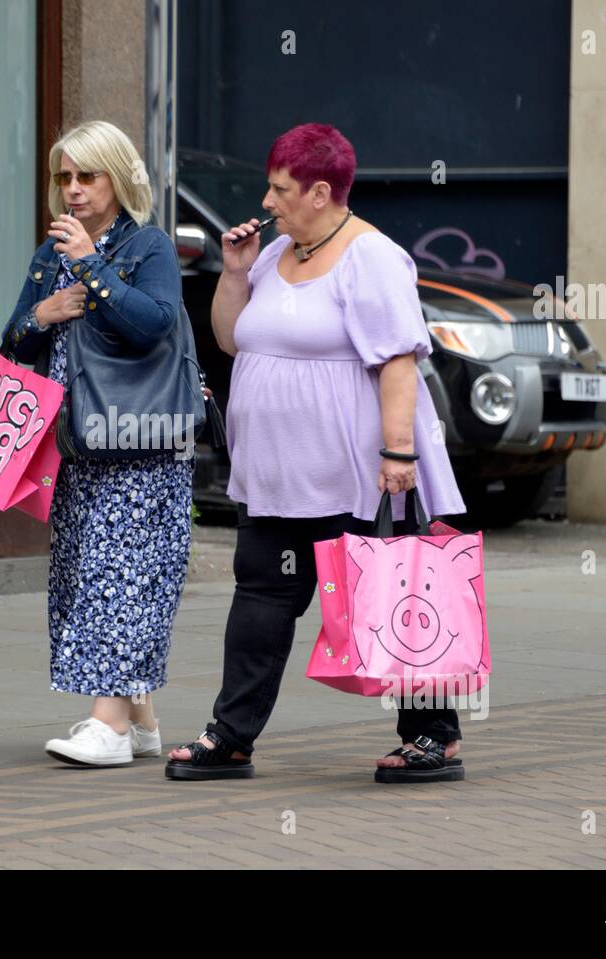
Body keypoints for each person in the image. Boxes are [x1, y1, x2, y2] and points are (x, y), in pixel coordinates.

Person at [165, 123, 469, 783]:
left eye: (279, 190)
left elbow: (397, 362)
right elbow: (232, 338)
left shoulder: (373, 257)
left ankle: (432, 737)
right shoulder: (273, 254)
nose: (268, 202)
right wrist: (237, 273)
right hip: (275, 477)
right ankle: (231, 735)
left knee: (387, 596)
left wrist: (399, 453)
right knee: (260, 599)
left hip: (356, 473)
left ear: (321, 191)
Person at [1, 120, 192, 766]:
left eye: (88, 176)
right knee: (88, 574)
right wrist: (41, 314)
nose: (73, 190)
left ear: (118, 177)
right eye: (64, 177)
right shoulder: (48, 253)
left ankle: (107, 726)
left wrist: (90, 266)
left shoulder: (149, 247)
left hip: (139, 444)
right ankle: (141, 722)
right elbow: (13, 345)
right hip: (75, 446)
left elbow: (154, 325)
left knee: (121, 574)